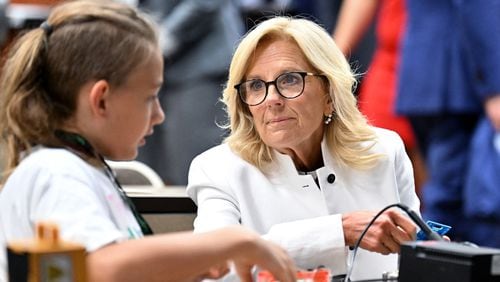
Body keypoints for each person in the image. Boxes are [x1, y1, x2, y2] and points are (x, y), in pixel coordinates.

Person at [0, 1, 297, 282]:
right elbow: (100, 268)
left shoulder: (83, 169)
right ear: (101, 100)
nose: (158, 115)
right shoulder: (54, 171)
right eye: (150, 97)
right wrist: (231, 242)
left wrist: (188, 266)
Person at [187, 16, 421, 281]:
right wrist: (338, 232)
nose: (272, 100)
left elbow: (412, 258)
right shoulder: (219, 169)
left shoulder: (384, 150)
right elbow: (216, 267)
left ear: (329, 94)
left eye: (289, 80)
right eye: (255, 86)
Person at [396, 0, 500, 247]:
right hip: (460, 85)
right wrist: (496, 87)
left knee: (448, 199)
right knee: (457, 205)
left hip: (432, 78)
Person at [135, 0, 244, 185]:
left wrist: (162, 39)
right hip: (142, 67)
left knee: (194, 173)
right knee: (148, 177)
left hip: (198, 66)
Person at [332, 0, 427, 195]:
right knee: (374, 153)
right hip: (389, 59)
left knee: (434, 173)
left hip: (435, 60)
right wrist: (332, 59)